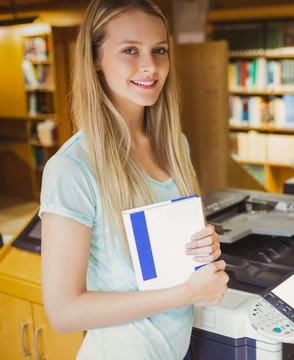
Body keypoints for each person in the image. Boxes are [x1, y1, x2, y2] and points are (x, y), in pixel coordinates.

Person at [39, 0, 229, 358]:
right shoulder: (72, 169)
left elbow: (168, 260)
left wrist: (204, 249)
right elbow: (63, 313)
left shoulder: (175, 147)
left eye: (160, 50)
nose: (151, 66)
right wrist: (188, 295)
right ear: (96, 59)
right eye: (130, 50)